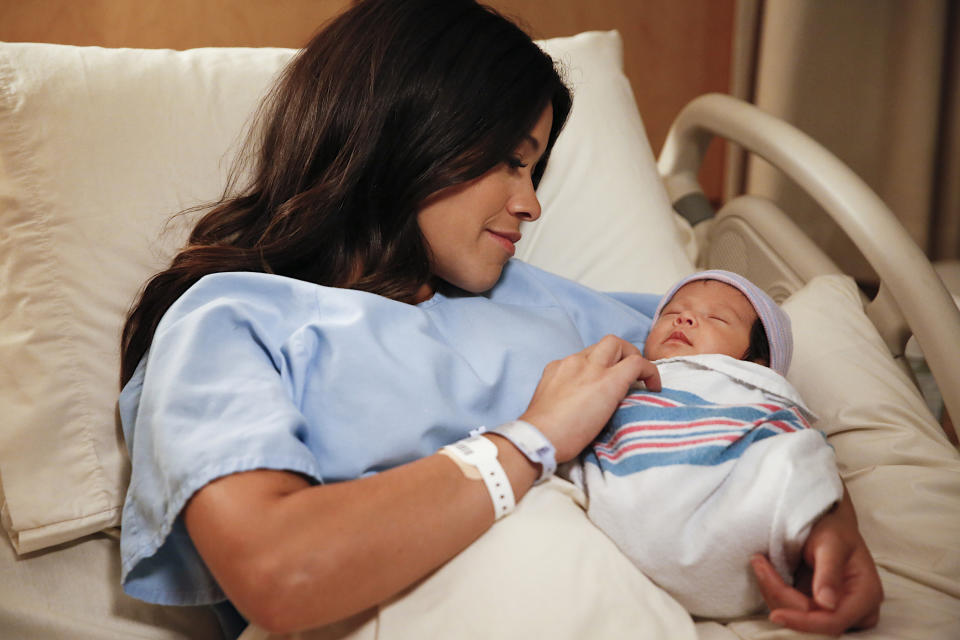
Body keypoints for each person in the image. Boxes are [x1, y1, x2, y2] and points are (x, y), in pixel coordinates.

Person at [117, 0, 882, 636]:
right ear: (408, 136)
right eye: (511, 162)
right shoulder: (232, 319)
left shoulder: (546, 300)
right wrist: (532, 441)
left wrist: (826, 519)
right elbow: (280, 571)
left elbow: (739, 372)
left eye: (536, 167)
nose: (532, 203)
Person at [568, 270, 844, 619]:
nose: (684, 318)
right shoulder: (632, 373)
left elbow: (788, 439)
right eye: (672, 313)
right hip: (617, 525)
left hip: (739, 539)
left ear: (758, 361)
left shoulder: (754, 388)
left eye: (716, 318)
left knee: (793, 458)